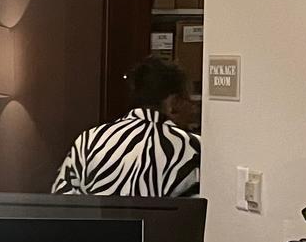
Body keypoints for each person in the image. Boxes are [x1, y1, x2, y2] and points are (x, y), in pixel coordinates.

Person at [52, 56, 200, 198]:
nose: (194, 109)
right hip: (163, 225)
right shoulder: (193, 148)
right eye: (190, 100)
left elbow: (62, 202)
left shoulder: (88, 141)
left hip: (97, 224)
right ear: (173, 104)